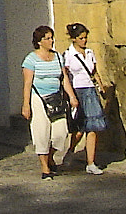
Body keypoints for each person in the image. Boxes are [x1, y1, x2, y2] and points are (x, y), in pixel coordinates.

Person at [20, 24, 71, 178]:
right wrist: (26, 104)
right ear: (39, 41)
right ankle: (45, 168)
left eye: (51, 38)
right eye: (47, 38)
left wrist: (72, 96)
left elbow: (64, 79)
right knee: (41, 132)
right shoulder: (31, 59)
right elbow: (27, 84)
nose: (51, 41)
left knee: (61, 133)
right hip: (38, 99)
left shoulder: (58, 57)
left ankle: (50, 156)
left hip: (55, 98)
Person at [62, 22, 112, 173]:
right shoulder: (68, 55)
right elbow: (64, 75)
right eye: (81, 38)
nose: (84, 40)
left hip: (90, 90)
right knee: (79, 129)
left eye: (85, 38)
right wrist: (69, 95)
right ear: (74, 39)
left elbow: (94, 71)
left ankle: (91, 163)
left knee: (93, 127)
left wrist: (101, 85)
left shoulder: (90, 53)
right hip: (77, 91)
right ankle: (71, 149)